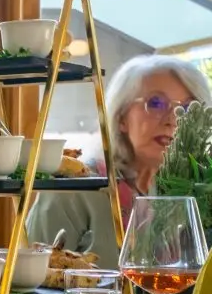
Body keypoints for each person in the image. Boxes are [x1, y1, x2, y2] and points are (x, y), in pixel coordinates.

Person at [27, 55, 211, 267]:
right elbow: (37, 285)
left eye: (188, 109)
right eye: (157, 103)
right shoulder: (72, 188)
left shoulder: (192, 191)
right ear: (122, 117)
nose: (172, 119)